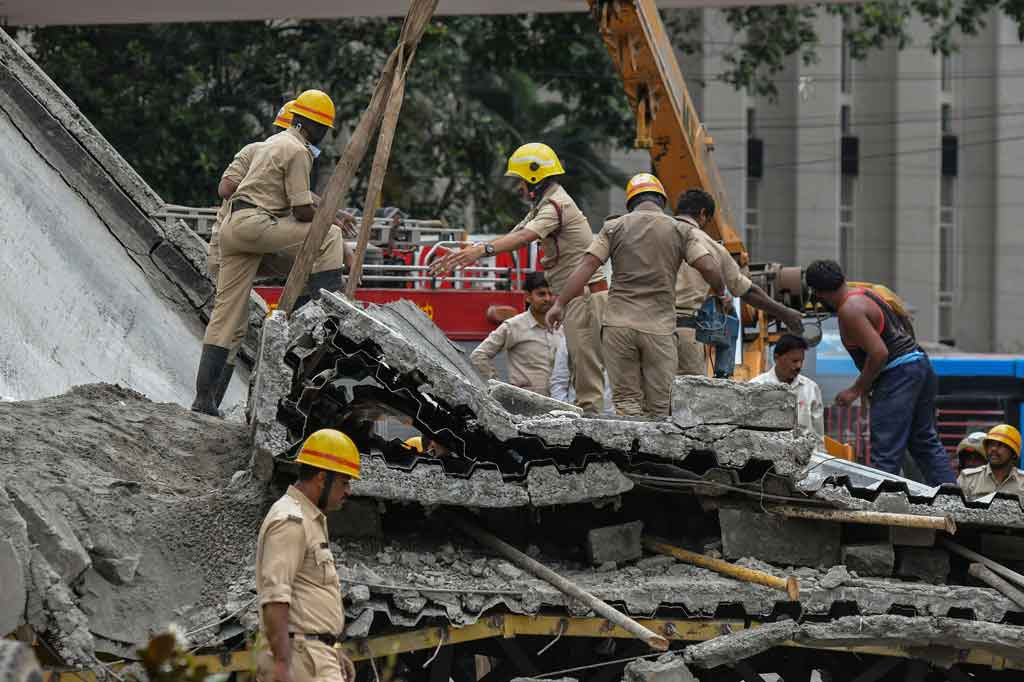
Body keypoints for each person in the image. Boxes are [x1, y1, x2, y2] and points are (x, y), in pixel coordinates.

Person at [193, 89, 347, 416]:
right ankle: (326, 310)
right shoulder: (298, 151)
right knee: (329, 235)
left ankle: (204, 401)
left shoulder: (269, 145)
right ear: (313, 126)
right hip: (257, 226)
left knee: (227, 320)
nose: (323, 135)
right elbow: (302, 211)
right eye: (323, 129)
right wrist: (328, 217)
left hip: (235, 231)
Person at [429, 143, 608, 413]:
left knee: (586, 379)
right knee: (580, 373)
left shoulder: (555, 205)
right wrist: (471, 251)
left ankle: (592, 432)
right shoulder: (545, 205)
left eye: (521, 181)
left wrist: (479, 251)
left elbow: (525, 237)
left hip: (585, 298)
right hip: (578, 297)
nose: (518, 188)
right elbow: (515, 234)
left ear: (534, 178)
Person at [546, 173, 727, 417]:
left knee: (627, 402)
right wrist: (720, 291)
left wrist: (559, 304)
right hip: (659, 329)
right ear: (661, 201)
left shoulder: (614, 227)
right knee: (661, 406)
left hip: (618, 326)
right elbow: (708, 266)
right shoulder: (680, 230)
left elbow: (587, 266)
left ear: (630, 202)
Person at [804, 259, 956, 485]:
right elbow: (905, 325)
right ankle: (951, 495)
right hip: (918, 364)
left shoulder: (849, 310)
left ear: (818, 293)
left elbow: (879, 353)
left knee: (886, 451)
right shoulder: (867, 293)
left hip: (898, 375)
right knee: (924, 441)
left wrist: (855, 390)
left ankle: (884, 502)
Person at [256, 429, 360, 682]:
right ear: (322, 478)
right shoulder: (291, 521)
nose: (348, 491)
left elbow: (309, 598)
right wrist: (282, 665)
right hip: (301, 660)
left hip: (313, 657)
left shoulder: (309, 519)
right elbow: (275, 597)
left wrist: (332, 648)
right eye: (344, 482)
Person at [673, 190, 803, 376]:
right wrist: (785, 312)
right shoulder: (708, 244)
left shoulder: (654, 235)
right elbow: (747, 291)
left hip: (646, 328)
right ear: (703, 214)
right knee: (685, 392)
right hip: (685, 333)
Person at [470, 272, 560, 396]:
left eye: (551, 294)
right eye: (541, 294)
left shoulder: (562, 327)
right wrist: (497, 387)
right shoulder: (514, 326)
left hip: (561, 401)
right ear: (528, 296)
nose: (548, 299)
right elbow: (479, 356)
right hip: (525, 401)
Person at [750, 334, 824, 446]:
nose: (799, 366)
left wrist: (820, 453)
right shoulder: (756, 387)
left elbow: (818, 436)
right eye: (794, 361)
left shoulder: (811, 389)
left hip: (805, 454)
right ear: (776, 358)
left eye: (801, 361)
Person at [549, 333, 615, 414]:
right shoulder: (569, 340)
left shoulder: (616, 337)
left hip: (613, 415)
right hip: (577, 413)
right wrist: (565, 412)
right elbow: (559, 382)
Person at [957, 425, 1024, 499]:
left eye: (1000, 445)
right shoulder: (967, 478)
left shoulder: (1022, 482)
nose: (993, 448)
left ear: (1013, 453)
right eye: (991, 444)